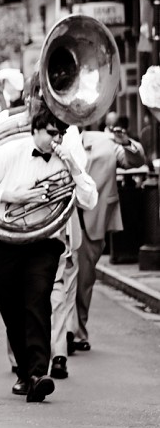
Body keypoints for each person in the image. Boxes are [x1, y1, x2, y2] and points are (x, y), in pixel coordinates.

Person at [0, 75, 97, 402]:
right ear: (36, 129)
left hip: (43, 242)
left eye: (61, 134)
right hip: (3, 243)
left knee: (37, 304)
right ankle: (26, 373)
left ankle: (40, 372)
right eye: (51, 133)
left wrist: (74, 168)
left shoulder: (67, 155)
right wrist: (12, 195)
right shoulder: (10, 152)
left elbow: (89, 199)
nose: (56, 139)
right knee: (12, 313)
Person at [72, 124, 145, 352]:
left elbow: (135, 161)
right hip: (60, 222)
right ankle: (62, 332)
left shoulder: (105, 140)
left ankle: (77, 331)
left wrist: (125, 142)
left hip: (92, 220)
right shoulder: (51, 137)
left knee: (84, 281)